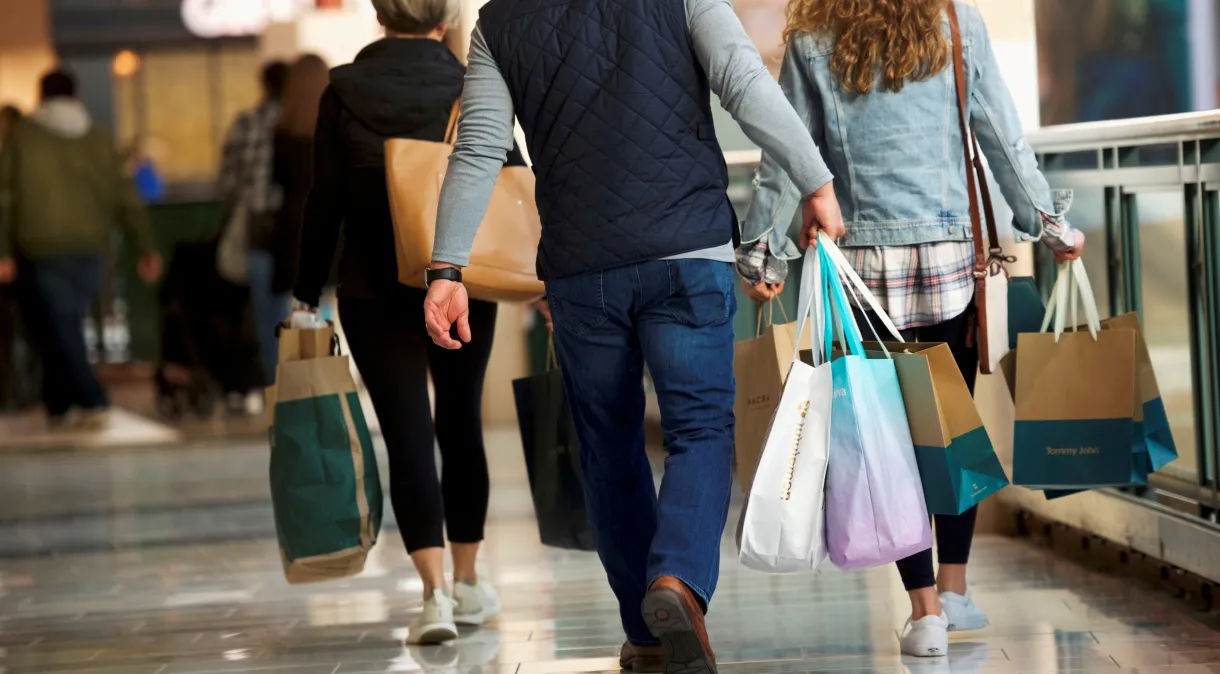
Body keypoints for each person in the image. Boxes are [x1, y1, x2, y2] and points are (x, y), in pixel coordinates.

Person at [422, 0, 844, 669]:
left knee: (608, 447)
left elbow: (478, 145)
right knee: (700, 428)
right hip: (686, 251)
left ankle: (647, 639)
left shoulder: (500, 22)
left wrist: (446, 268)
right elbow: (744, 82)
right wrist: (815, 179)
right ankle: (676, 580)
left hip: (582, 272)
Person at [741, 0, 1086, 659]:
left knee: (886, 444)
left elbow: (788, 154)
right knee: (950, 428)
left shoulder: (815, 36)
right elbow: (1001, 136)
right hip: (950, 259)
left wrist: (761, 249)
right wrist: (1046, 223)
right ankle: (955, 590)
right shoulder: (955, 23)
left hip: (863, 269)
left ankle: (924, 609)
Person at [290, 0, 526, 646]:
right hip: (460, 278)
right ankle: (471, 578)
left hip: (371, 288)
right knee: (459, 420)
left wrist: (306, 295)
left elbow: (324, 203)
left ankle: (434, 596)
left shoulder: (342, 92)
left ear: (379, 16)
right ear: (445, 22)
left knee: (407, 434)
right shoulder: (469, 82)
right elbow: (511, 177)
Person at [0, 70, 161, 429]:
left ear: (40, 96)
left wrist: (3, 251)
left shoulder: (21, 139)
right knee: (65, 322)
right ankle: (58, 403)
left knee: (61, 324)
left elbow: (5, 197)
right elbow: (127, 198)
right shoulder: (100, 140)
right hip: (92, 246)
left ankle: (91, 399)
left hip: (39, 245)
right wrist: (146, 247)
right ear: (78, 96)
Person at [217, 60, 288, 390]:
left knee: (268, 313)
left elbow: (228, 182)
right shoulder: (309, 120)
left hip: (259, 229)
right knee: (311, 309)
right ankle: (315, 383)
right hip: (302, 228)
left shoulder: (247, 123)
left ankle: (278, 386)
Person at [265, 55, 328, 372]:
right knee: (328, 306)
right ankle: (335, 376)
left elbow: (274, 185)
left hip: (291, 229)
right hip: (330, 225)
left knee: (292, 312)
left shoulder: (281, 134)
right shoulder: (334, 131)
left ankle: (293, 378)